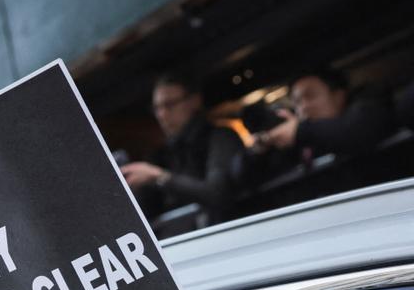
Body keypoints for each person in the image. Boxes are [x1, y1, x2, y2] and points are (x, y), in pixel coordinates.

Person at [120, 72, 243, 227]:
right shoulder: (162, 154)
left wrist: (159, 177)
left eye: (169, 105)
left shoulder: (220, 137)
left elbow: (218, 194)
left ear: (194, 101)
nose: (162, 115)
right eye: (157, 108)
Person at [255, 69, 392, 159]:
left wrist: (300, 131)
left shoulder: (368, 107)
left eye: (311, 96)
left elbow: (358, 129)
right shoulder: (305, 141)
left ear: (338, 96)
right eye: (297, 102)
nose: (303, 107)